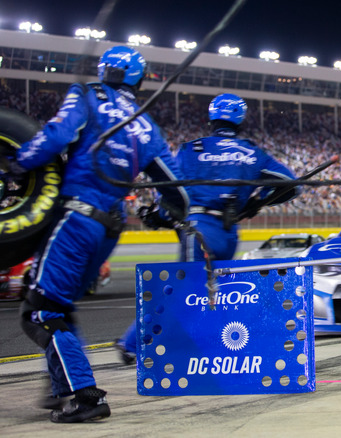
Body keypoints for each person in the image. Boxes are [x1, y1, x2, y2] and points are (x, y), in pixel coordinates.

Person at [12, 46, 189, 423]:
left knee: (41, 312)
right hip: (110, 229)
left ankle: (82, 395)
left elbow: (56, 136)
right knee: (61, 308)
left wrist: (18, 161)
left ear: (104, 70)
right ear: (138, 79)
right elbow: (180, 190)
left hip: (76, 218)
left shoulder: (87, 95)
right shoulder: (146, 124)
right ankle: (61, 388)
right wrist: (164, 215)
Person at [116, 93, 299, 361]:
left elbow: (171, 192)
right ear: (241, 119)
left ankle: (135, 345)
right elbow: (290, 184)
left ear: (212, 117)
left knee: (184, 290)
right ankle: (214, 350)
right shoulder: (252, 152)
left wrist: (159, 216)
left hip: (200, 229)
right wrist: (255, 203)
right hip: (229, 232)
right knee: (222, 293)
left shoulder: (193, 149)